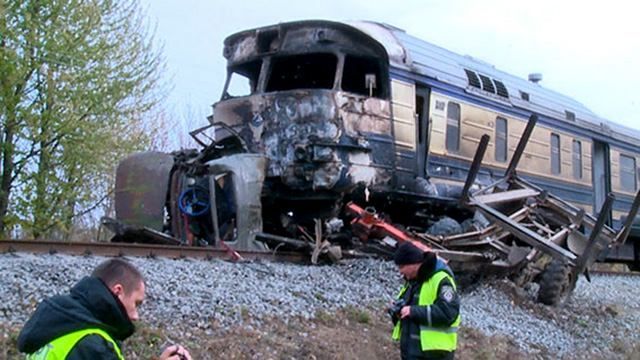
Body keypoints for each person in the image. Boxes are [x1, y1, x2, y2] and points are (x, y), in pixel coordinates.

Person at [17, 258, 192, 360]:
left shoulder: (61, 326)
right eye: (136, 304)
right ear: (118, 292)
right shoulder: (92, 344)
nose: (137, 316)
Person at [389, 242, 461, 360]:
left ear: (414, 263)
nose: (400, 272)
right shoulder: (412, 282)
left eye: (402, 267)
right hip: (412, 352)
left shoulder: (441, 279)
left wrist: (413, 311)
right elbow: (406, 311)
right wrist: (397, 310)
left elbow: (448, 313)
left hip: (434, 354)